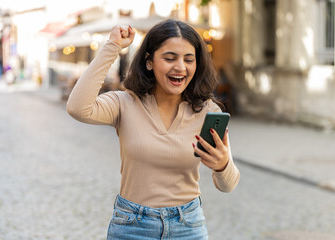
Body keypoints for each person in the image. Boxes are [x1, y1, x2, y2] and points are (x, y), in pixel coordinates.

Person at [66, 19, 240, 240]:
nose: (180, 67)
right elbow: (77, 108)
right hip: (131, 226)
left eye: (189, 59)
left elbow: (228, 185)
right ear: (149, 62)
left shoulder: (209, 111)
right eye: (169, 58)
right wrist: (112, 47)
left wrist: (223, 165)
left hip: (188, 227)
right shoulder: (124, 103)